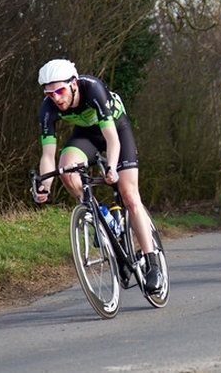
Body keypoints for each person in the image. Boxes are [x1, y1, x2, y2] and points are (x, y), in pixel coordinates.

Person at [33, 59, 163, 292]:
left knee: (129, 195)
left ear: (73, 84)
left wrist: (112, 168)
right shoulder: (47, 109)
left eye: (60, 91)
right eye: (49, 93)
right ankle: (101, 216)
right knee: (67, 170)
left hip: (116, 131)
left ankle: (152, 262)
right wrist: (45, 185)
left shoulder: (93, 89)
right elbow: (47, 156)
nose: (56, 98)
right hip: (86, 136)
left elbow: (112, 138)